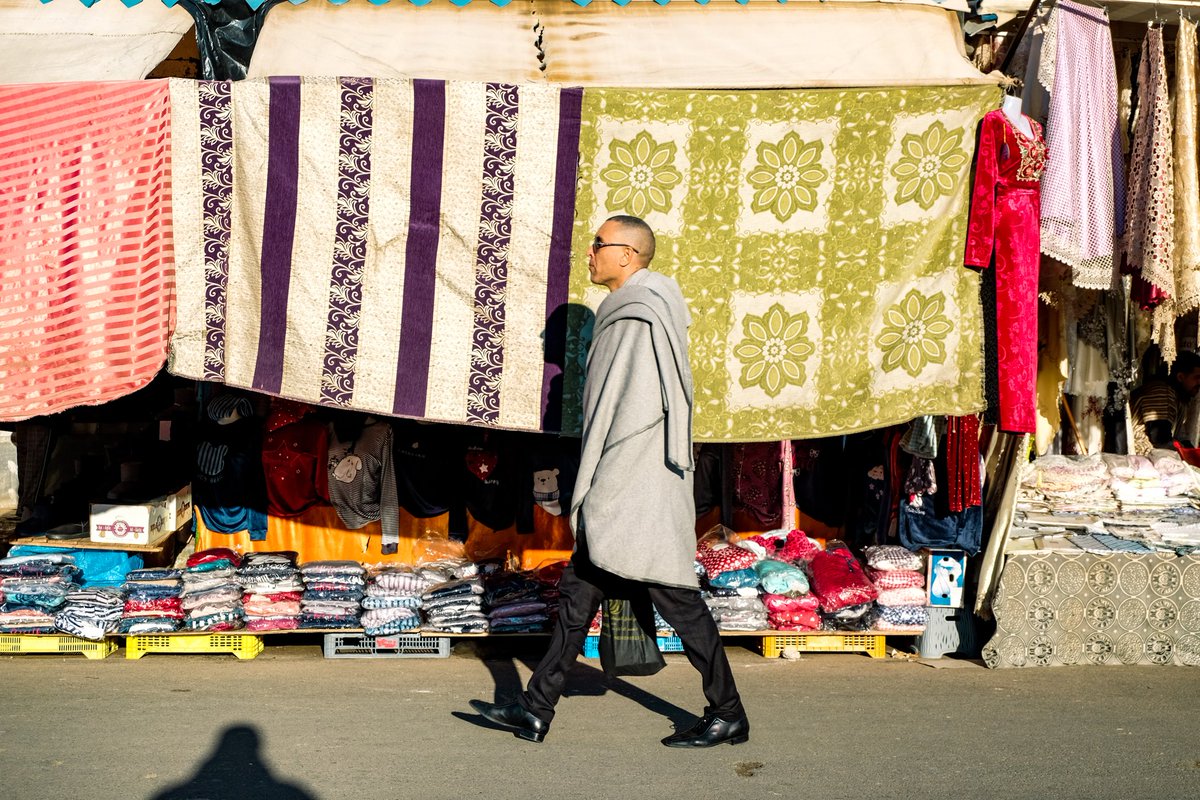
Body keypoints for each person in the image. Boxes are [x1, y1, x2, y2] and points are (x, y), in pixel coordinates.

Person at [469, 215, 749, 748]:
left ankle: (729, 712)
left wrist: (607, 483)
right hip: (626, 481)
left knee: (676, 598)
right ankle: (535, 708)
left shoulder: (638, 313)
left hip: (633, 482)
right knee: (578, 595)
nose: (590, 254)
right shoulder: (630, 309)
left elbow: (638, 409)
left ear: (628, 255)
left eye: (598, 245)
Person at [1130, 350, 1200, 455]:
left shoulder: (1179, 399)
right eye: (1197, 378)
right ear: (1180, 377)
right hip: (1138, 457)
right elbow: (1160, 440)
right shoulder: (1161, 392)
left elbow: (1180, 437)